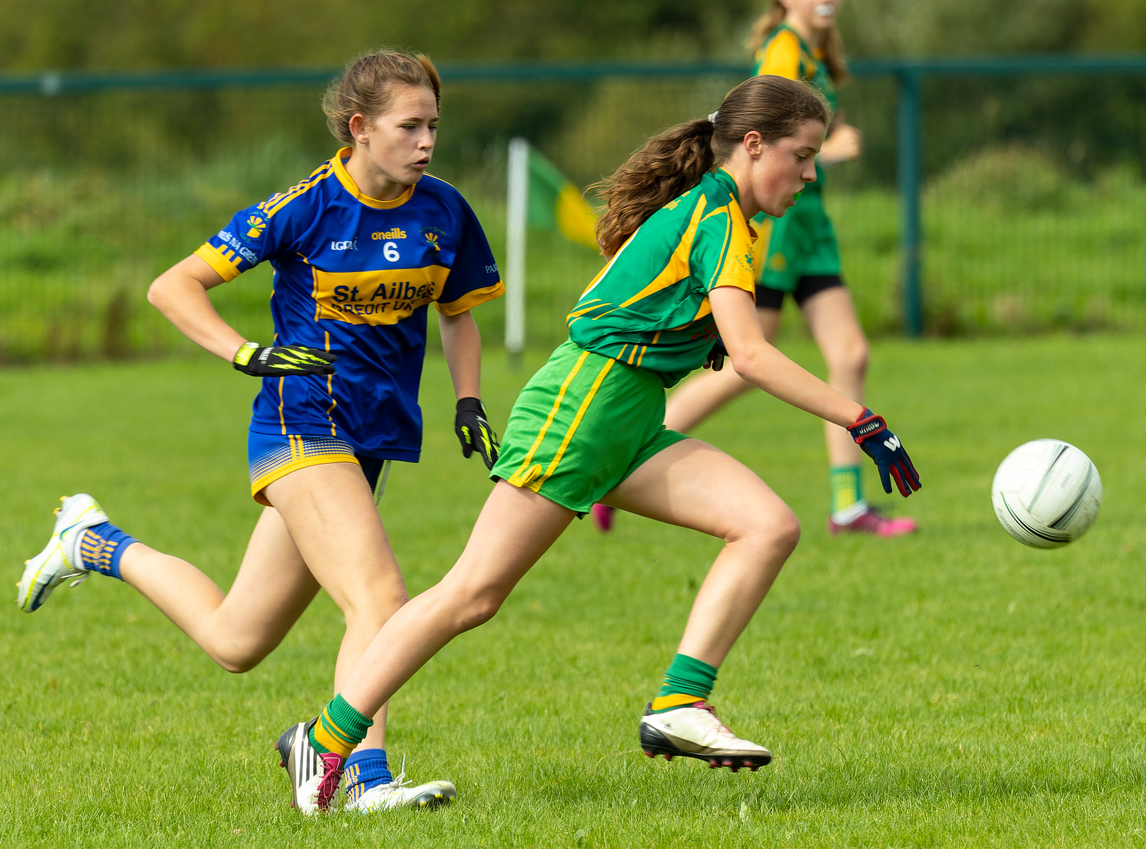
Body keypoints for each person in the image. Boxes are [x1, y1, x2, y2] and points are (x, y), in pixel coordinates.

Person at [271, 74, 921, 812]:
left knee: (767, 525)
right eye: (801, 156)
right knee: (472, 593)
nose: (809, 174)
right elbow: (751, 354)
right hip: (583, 407)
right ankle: (324, 740)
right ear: (752, 144)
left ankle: (680, 703)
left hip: (630, 413)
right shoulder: (715, 217)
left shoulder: (724, 214)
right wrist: (860, 419)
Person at [16, 49, 504, 816]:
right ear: (359, 128)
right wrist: (244, 352)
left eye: (433, 126)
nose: (427, 142)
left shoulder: (444, 210)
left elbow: (458, 312)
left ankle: (93, 541)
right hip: (301, 424)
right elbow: (173, 286)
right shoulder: (305, 206)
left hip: (370, 439)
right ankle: (359, 776)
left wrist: (468, 399)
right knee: (380, 597)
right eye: (410, 126)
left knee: (235, 639)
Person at [592, 0, 916, 538]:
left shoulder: (814, 52)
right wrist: (828, 152)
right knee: (750, 355)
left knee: (849, 353)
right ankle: (628, 454)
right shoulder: (784, 48)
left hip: (810, 227)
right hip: (779, 227)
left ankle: (847, 506)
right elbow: (767, 142)